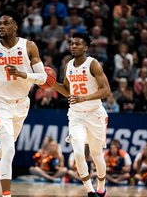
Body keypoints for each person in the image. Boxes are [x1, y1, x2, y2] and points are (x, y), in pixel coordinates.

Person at [0, 7, 47, 197]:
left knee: (6, 148)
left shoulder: (29, 46)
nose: (1, 26)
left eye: (6, 23)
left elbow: (42, 78)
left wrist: (24, 73)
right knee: (9, 149)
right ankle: (6, 195)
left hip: (21, 103)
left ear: (15, 27)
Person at [52, 32, 110, 197]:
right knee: (78, 151)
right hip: (76, 114)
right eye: (72, 43)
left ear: (85, 48)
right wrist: (51, 84)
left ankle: (101, 186)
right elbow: (67, 91)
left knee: (96, 155)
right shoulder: (68, 65)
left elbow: (107, 91)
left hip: (95, 114)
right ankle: (90, 191)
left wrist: (84, 97)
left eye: (77, 44)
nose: (73, 46)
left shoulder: (93, 64)